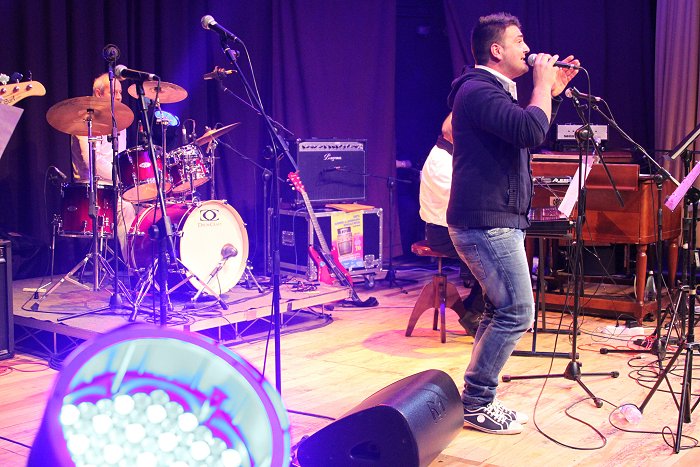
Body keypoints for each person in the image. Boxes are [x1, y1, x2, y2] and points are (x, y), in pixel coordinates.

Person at [446, 13, 579, 434]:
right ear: (496, 49)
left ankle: (477, 399)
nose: (528, 48)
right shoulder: (477, 90)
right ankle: (477, 401)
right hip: (485, 222)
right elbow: (529, 131)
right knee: (518, 311)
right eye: (519, 40)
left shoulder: (491, 91)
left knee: (500, 310)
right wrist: (542, 85)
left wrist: (551, 94)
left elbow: (528, 128)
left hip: (496, 220)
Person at [419, 112, 485, 336]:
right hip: (442, 233)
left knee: (495, 253)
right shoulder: (441, 163)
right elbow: (464, 204)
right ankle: (474, 314)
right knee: (493, 256)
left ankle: (475, 310)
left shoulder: (450, 156)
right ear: (457, 136)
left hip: (453, 228)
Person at [71, 73, 135, 260]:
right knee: (126, 207)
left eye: (120, 93)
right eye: (113, 92)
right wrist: (122, 180)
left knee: (149, 202)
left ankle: (148, 262)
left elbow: (119, 157)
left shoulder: (120, 121)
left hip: (116, 184)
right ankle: (132, 265)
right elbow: (91, 162)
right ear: (98, 94)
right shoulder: (85, 120)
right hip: (92, 187)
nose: (119, 97)